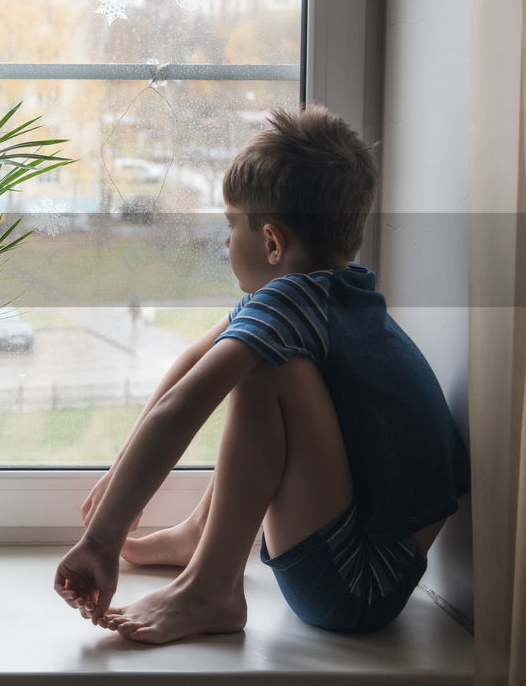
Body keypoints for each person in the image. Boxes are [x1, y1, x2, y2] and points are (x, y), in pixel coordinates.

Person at [54, 105, 470, 643]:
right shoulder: (330, 293)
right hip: (378, 569)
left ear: (273, 242)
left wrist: (103, 540)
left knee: (264, 371)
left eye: (231, 225)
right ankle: (204, 538)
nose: (227, 242)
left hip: (354, 586)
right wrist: (119, 478)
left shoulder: (291, 305)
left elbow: (182, 408)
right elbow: (187, 373)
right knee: (257, 356)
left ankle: (211, 587)